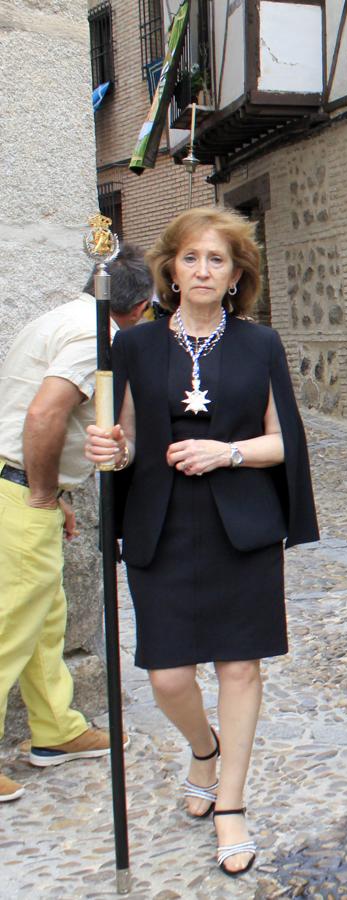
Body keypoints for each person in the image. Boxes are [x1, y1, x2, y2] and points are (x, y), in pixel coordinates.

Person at [84, 207, 318, 875]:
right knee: (168, 675)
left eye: (218, 259)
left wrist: (227, 454)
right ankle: (203, 749)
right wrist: (110, 447)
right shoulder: (133, 347)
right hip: (161, 526)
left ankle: (232, 806)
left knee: (241, 669)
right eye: (192, 258)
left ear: (238, 273)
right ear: (171, 269)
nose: (204, 269)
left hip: (240, 528)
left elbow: (284, 443)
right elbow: (122, 442)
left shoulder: (260, 345)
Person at [0, 249, 152, 803]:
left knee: (43, 619)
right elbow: (44, 414)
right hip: (20, 491)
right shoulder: (95, 336)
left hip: (19, 487)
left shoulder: (61, 317)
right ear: (137, 307)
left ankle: (56, 731)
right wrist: (42, 491)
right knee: (11, 624)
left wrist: (54, 491)